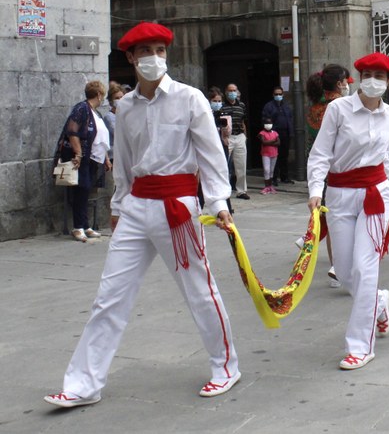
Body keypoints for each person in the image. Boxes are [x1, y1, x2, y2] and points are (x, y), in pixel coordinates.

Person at [44, 22, 240, 408]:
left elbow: (212, 156)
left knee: (200, 291)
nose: (155, 58)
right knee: (109, 296)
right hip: (136, 207)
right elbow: (127, 164)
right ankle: (84, 382)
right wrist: (118, 208)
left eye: (161, 50)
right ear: (131, 57)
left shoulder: (190, 98)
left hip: (178, 206)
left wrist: (219, 204)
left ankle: (225, 366)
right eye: (146, 51)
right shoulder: (126, 106)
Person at [306, 52, 389, 370]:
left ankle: (360, 345)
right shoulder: (338, 109)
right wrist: (316, 191)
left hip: (375, 195)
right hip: (341, 194)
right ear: (358, 78)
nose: (373, 81)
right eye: (368, 74)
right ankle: (379, 303)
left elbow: (386, 152)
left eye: (380, 76)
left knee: (365, 266)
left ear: (388, 82)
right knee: (344, 272)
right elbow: (320, 153)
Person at [304, 64, 351, 286]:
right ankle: (339, 266)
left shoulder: (315, 106)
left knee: (331, 219)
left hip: (320, 168)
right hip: (340, 167)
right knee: (340, 219)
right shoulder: (339, 105)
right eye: (345, 80)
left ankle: (337, 267)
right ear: (339, 83)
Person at [54, 80, 107, 242]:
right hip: (81, 157)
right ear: (99, 95)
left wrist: (105, 159)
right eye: (102, 95)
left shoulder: (94, 112)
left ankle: (85, 225)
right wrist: (78, 153)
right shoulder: (81, 108)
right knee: (81, 189)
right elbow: (72, 131)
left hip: (91, 157)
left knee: (85, 190)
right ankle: (78, 227)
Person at [205, 87, 234, 215]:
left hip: (222, 145)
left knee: (224, 174)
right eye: (215, 101)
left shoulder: (224, 114)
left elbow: (228, 133)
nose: (218, 103)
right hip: (209, 147)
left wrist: (224, 127)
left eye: (219, 101)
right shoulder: (206, 114)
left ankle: (226, 206)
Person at [221, 83, 249, 199]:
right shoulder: (222, 106)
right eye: (230, 90)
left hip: (239, 136)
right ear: (226, 92)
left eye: (234, 90)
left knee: (241, 165)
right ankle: (224, 190)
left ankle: (241, 191)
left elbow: (243, 121)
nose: (232, 92)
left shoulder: (241, 105)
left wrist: (245, 136)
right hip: (227, 137)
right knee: (224, 165)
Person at [262, 86, 294, 184]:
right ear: (273, 95)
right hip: (274, 134)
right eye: (276, 94)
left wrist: (291, 132)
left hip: (285, 133)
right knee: (274, 155)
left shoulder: (286, 106)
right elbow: (265, 119)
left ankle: (284, 177)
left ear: (283, 94)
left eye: (280, 94)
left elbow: (290, 119)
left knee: (284, 156)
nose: (278, 96)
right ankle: (274, 178)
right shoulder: (269, 106)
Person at [258, 118, 280, 194]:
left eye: (270, 123)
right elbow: (264, 142)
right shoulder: (262, 133)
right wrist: (273, 141)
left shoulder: (275, 133)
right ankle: (266, 186)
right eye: (267, 123)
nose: (268, 125)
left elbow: (278, 143)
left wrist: (269, 142)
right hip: (265, 154)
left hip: (274, 153)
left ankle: (270, 186)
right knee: (266, 170)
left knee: (271, 171)